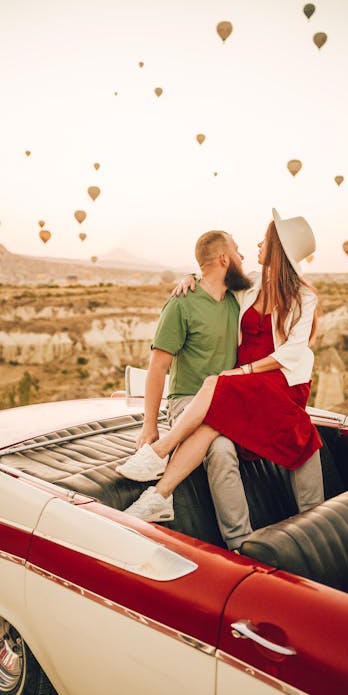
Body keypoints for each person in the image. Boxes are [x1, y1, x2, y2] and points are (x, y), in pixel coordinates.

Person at [119, 208, 324, 533]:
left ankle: (160, 454)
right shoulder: (252, 284)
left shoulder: (303, 297)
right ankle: (162, 497)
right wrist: (191, 276)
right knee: (222, 414)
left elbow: (293, 352)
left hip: (278, 381)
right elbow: (214, 274)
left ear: (278, 249)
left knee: (222, 386)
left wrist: (243, 373)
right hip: (244, 384)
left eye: (264, 240)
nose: (256, 245)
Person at [118, 229, 255, 551]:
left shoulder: (239, 300)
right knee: (220, 448)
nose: (243, 257)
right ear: (224, 258)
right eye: (237, 251)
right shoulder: (182, 304)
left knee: (221, 433)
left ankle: (160, 493)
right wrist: (149, 424)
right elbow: (158, 367)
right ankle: (242, 544)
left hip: (227, 400)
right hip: (187, 401)